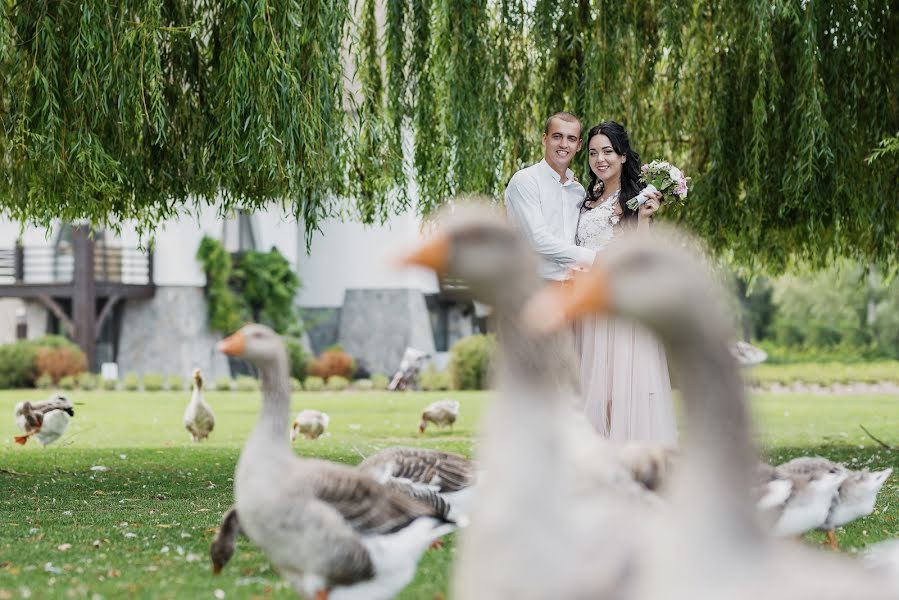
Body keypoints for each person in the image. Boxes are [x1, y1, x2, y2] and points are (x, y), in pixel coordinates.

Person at [574, 121, 678, 442]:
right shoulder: (586, 197)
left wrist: (645, 219)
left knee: (618, 389)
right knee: (591, 385)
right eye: (593, 152)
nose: (599, 159)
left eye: (607, 151)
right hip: (586, 304)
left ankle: (623, 458)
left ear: (622, 156)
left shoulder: (633, 199)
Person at [504, 112, 596, 282]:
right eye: (557, 136)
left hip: (573, 289)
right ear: (544, 139)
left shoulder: (578, 191)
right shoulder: (525, 181)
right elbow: (538, 240)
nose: (564, 144)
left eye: (571, 139)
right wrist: (594, 259)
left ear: (579, 145)